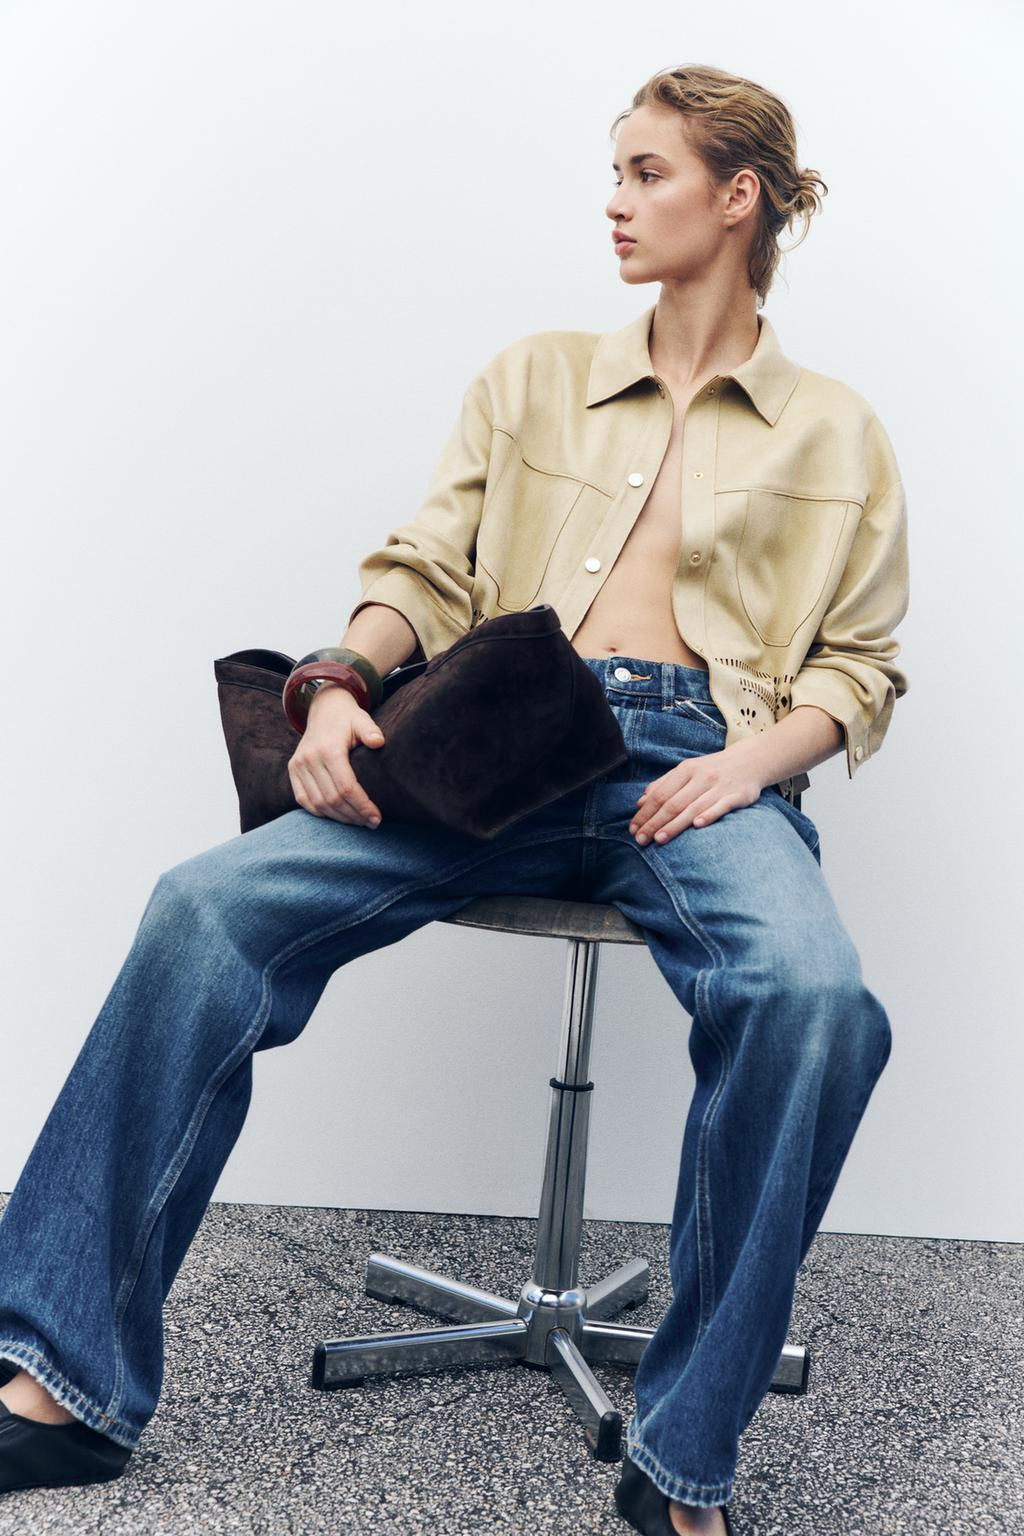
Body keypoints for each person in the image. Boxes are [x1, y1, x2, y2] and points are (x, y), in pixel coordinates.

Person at [0, 63, 909, 1536]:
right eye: (614, 170)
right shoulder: (532, 379)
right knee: (201, 912)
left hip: (706, 764)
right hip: (504, 739)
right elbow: (425, 572)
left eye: (648, 172)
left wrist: (747, 769)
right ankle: (65, 1380)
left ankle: (683, 1459)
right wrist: (337, 683)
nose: (615, 202)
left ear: (739, 197)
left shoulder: (839, 433)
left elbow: (858, 670)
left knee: (816, 1002)